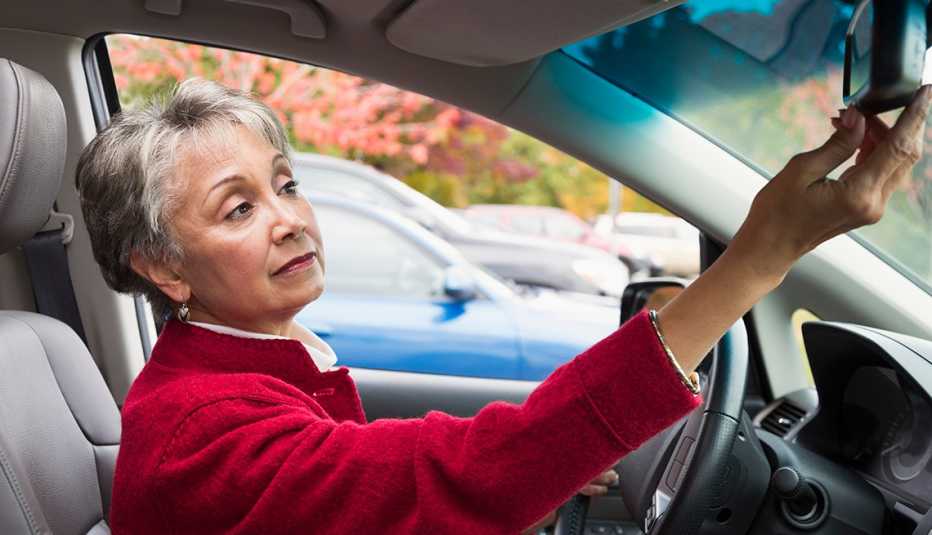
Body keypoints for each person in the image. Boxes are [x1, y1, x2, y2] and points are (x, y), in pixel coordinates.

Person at [75, 78, 931, 534]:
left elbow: (365, 472)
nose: (292, 218)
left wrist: (538, 471)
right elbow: (448, 474)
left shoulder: (246, 369)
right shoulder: (198, 430)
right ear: (163, 267)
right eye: (239, 208)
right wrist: (758, 258)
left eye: (286, 185)